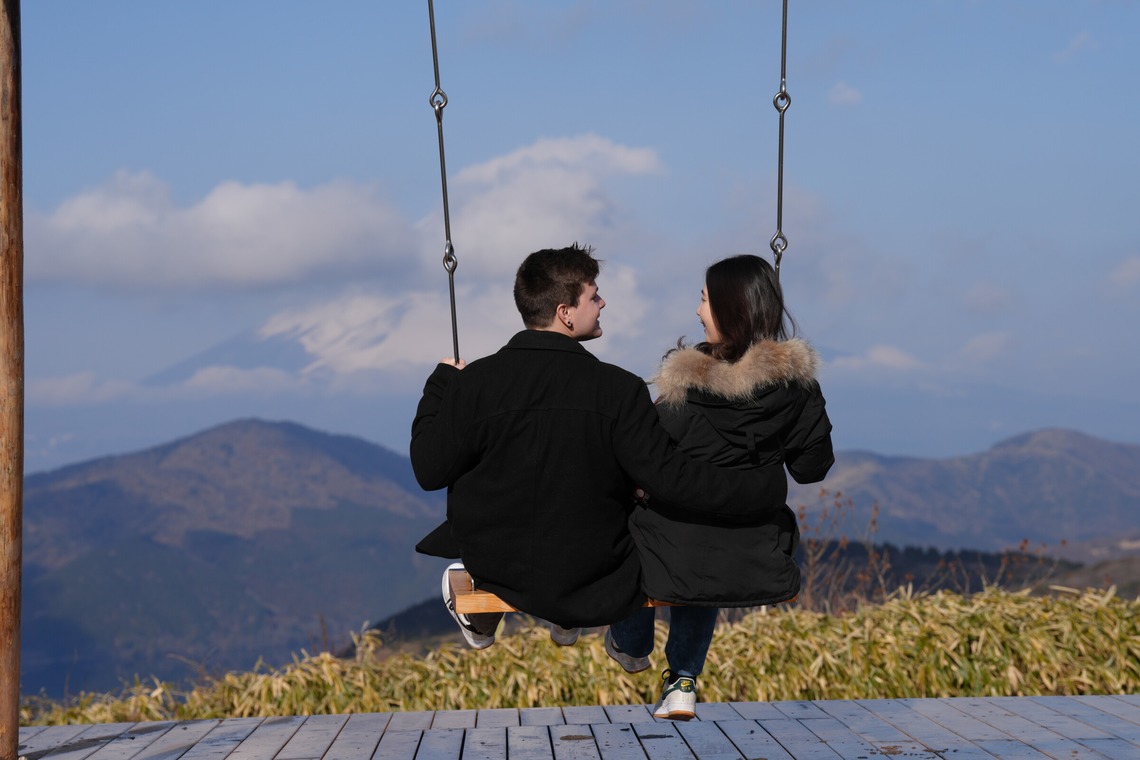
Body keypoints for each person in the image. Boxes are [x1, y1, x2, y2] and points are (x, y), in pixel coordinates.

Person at [410, 244, 791, 650]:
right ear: (565, 313)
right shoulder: (617, 389)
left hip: (495, 561)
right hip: (590, 570)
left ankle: (491, 614)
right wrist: (760, 488)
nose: (602, 301)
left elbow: (429, 470)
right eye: (593, 296)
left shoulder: (475, 385)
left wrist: (441, 385)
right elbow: (673, 478)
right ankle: (575, 618)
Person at [607, 253, 834, 720]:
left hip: (669, 551)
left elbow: (641, 460)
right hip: (750, 552)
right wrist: (805, 404)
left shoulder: (685, 390)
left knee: (632, 523)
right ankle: (684, 679)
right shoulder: (795, 388)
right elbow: (812, 468)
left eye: (705, 299)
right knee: (707, 551)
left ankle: (631, 642)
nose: (697, 311)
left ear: (731, 309)